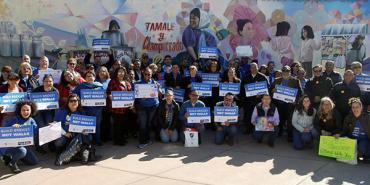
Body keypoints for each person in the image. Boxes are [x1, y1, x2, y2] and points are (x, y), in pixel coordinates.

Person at [54, 94, 98, 165]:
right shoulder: (62, 111)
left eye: (75, 101)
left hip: (77, 135)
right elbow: (55, 123)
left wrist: (85, 131)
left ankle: (79, 153)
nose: (73, 102)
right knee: (59, 142)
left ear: (78, 102)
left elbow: (85, 125)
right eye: (71, 101)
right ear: (68, 102)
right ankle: (63, 152)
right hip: (65, 134)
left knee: (88, 137)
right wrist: (65, 133)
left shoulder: (81, 111)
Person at [1, 101, 39, 173]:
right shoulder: (14, 119)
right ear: (19, 111)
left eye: (28, 110)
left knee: (34, 162)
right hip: (9, 147)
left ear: (31, 110)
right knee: (22, 151)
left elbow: (36, 132)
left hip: (23, 145)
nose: (25, 112)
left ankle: (17, 157)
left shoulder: (31, 120)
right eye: (23, 110)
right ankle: (11, 162)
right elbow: (3, 131)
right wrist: (11, 128)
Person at [270, 65, 302, 141]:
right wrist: (272, 91)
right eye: (284, 71)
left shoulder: (296, 81)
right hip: (279, 103)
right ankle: (280, 131)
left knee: (289, 120)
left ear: (290, 72)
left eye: (287, 71)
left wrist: (296, 101)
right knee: (280, 119)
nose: (285, 73)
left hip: (290, 104)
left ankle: (289, 135)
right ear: (282, 72)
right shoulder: (276, 80)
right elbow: (270, 90)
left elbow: (300, 93)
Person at [73, 71, 104, 146]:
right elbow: (74, 95)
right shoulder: (81, 86)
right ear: (85, 78)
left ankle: (98, 140)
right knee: (88, 126)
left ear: (94, 77)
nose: (90, 78)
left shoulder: (99, 86)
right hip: (85, 110)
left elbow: (103, 96)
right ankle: (88, 141)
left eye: (91, 76)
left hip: (97, 110)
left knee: (97, 126)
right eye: (88, 76)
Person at [32, 74, 59, 153]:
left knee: (49, 126)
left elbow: (55, 105)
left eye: (50, 81)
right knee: (40, 127)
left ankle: (51, 144)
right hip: (38, 112)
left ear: (53, 82)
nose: (48, 83)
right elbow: (32, 102)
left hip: (49, 111)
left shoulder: (55, 91)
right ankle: (39, 146)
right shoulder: (37, 90)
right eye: (46, 81)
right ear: (43, 82)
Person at [135, 68, 160, 149]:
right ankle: (142, 142)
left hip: (153, 106)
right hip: (142, 107)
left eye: (149, 74)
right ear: (143, 74)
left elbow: (160, 94)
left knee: (148, 124)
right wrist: (139, 98)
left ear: (151, 74)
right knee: (143, 124)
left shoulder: (155, 83)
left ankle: (147, 139)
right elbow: (135, 95)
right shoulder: (138, 83)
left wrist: (159, 89)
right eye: (146, 74)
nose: (147, 76)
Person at [106, 67, 132, 145]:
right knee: (117, 125)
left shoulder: (127, 82)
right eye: (119, 72)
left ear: (125, 73)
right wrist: (109, 96)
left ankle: (122, 138)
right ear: (116, 73)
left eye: (122, 72)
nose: (121, 73)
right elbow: (108, 92)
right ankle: (117, 140)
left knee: (124, 124)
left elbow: (130, 93)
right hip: (116, 108)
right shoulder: (113, 81)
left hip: (126, 108)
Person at [241, 63, 269, 134]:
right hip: (248, 101)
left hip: (259, 101)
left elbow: (267, 88)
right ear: (250, 69)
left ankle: (259, 130)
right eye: (252, 68)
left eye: (255, 67)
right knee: (248, 115)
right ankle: (248, 129)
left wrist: (261, 94)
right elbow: (242, 89)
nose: (253, 69)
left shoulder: (263, 77)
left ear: (258, 68)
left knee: (259, 115)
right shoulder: (246, 77)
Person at [342, 98, 370, 162]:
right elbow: (344, 130)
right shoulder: (348, 118)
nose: (355, 109)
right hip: (352, 139)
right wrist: (339, 135)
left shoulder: (367, 117)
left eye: (357, 107)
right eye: (353, 107)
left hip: (364, 139)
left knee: (362, 148)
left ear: (361, 107)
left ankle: (362, 155)